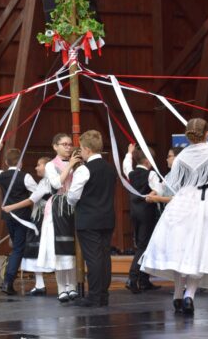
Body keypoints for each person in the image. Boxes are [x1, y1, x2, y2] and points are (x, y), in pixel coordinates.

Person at [140, 118, 208, 315]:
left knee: (180, 249)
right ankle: (190, 294)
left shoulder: (181, 157)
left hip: (184, 202)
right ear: (207, 133)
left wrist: (156, 193)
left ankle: (177, 294)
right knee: (202, 250)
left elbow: (169, 184)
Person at [68, 130, 117, 308]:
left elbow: (72, 196)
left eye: (81, 148)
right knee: (104, 257)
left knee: (94, 258)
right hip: (107, 217)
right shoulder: (110, 168)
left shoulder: (84, 170)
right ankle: (103, 294)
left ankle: (94, 296)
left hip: (88, 218)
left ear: (87, 149)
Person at [0, 142, 38, 295]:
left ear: (6, 162)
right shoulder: (26, 176)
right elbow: (37, 193)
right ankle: (8, 282)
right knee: (18, 249)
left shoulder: (2, 175)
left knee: (16, 247)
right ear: (21, 162)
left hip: (8, 217)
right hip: (22, 217)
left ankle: (8, 280)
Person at [2, 157, 54, 296]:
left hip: (45, 218)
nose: (36, 168)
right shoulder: (45, 182)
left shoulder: (49, 182)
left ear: (48, 166)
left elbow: (33, 199)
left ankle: (66, 286)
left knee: (47, 249)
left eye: (39, 165)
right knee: (35, 250)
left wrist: (11, 207)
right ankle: (40, 284)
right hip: (41, 218)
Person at [37, 134, 79, 302]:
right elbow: (56, 184)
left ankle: (73, 286)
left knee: (73, 248)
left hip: (73, 205)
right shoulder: (50, 165)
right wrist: (70, 166)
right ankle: (62, 288)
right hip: (58, 207)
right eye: (64, 144)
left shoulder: (77, 163)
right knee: (59, 248)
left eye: (70, 144)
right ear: (55, 146)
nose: (68, 147)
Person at [122, 144, 162, 293]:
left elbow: (126, 166)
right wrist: (156, 191)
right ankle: (132, 278)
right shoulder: (151, 175)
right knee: (144, 246)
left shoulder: (131, 174)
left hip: (135, 212)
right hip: (147, 213)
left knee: (142, 244)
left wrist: (129, 153)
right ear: (147, 161)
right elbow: (159, 190)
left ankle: (144, 280)